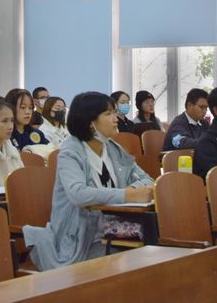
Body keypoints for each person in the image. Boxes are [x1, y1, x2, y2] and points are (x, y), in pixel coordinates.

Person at [23, 91, 154, 271]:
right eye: (108, 113)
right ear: (90, 122)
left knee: (152, 250)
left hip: (112, 230)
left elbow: (147, 179)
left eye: (115, 112)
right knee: (135, 260)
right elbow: (78, 194)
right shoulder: (70, 151)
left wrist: (133, 189)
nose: (116, 118)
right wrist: (127, 195)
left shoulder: (113, 149)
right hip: (79, 238)